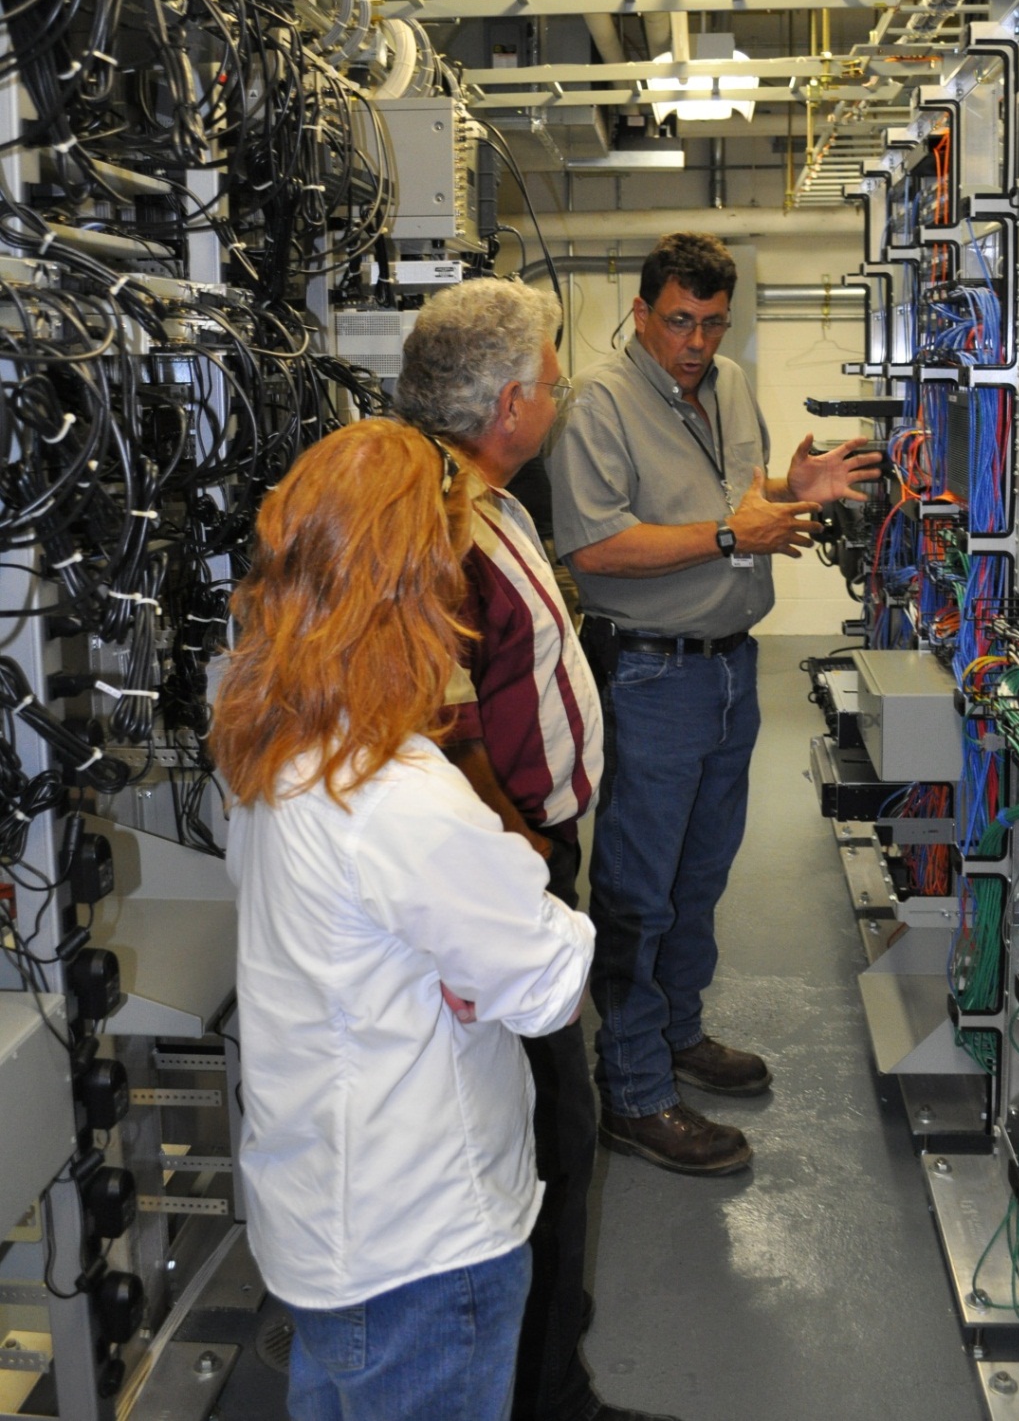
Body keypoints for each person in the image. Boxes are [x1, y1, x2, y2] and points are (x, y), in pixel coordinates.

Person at [212, 418, 594, 1421]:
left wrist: (462, 934)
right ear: (417, 584)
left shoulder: (269, 741)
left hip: (322, 1228)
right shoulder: (398, 789)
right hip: (426, 1250)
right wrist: (513, 872)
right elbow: (549, 981)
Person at [396, 279, 679, 1421]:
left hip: (531, 848)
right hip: (504, 863)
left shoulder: (500, 501)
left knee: (542, 1123)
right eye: (553, 378)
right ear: (510, 401)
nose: (560, 393)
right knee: (550, 1126)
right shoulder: (438, 527)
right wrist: (522, 866)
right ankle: (543, 1387)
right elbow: (445, 733)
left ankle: (544, 1329)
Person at [549, 232, 880, 1177]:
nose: (696, 342)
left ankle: (679, 1031)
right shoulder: (599, 405)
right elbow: (598, 549)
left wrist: (789, 488)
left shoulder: (730, 386)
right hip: (653, 673)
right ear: (643, 311)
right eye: (680, 322)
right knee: (639, 889)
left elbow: (731, 497)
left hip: (732, 668)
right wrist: (739, 525)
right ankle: (636, 1086)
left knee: (701, 878)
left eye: (712, 324)